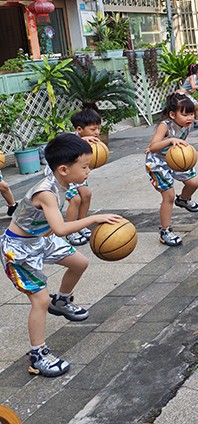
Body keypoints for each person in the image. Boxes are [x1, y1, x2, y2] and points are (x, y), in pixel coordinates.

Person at [0, 133, 120, 378]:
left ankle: (62, 301)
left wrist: (83, 141)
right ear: (64, 169)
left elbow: (60, 147)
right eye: (84, 167)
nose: (88, 171)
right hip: (19, 249)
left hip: (41, 238)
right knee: (40, 300)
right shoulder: (46, 192)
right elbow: (61, 229)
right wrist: (94, 218)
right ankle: (37, 355)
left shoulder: (60, 177)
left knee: (80, 263)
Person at [145, 93, 198, 247]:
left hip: (175, 159)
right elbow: (153, 146)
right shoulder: (165, 126)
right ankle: (165, 231)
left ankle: (183, 200)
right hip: (158, 163)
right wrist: (169, 140)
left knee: (194, 183)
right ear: (172, 115)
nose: (189, 118)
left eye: (191, 114)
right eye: (185, 114)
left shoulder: (186, 125)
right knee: (168, 196)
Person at [63, 109, 104, 246]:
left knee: (86, 194)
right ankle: (70, 231)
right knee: (75, 199)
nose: (97, 132)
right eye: (93, 129)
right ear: (79, 129)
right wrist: (80, 140)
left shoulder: (91, 142)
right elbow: (63, 144)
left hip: (75, 174)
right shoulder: (69, 139)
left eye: (98, 128)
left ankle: (81, 224)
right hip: (62, 177)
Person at [178, 63, 198, 129]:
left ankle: (196, 122)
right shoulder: (192, 77)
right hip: (181, 95)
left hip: (186, 95)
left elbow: (192, 88)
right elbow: (193, 86)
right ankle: (193, 122)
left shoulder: (196, 78)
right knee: (195, 108)